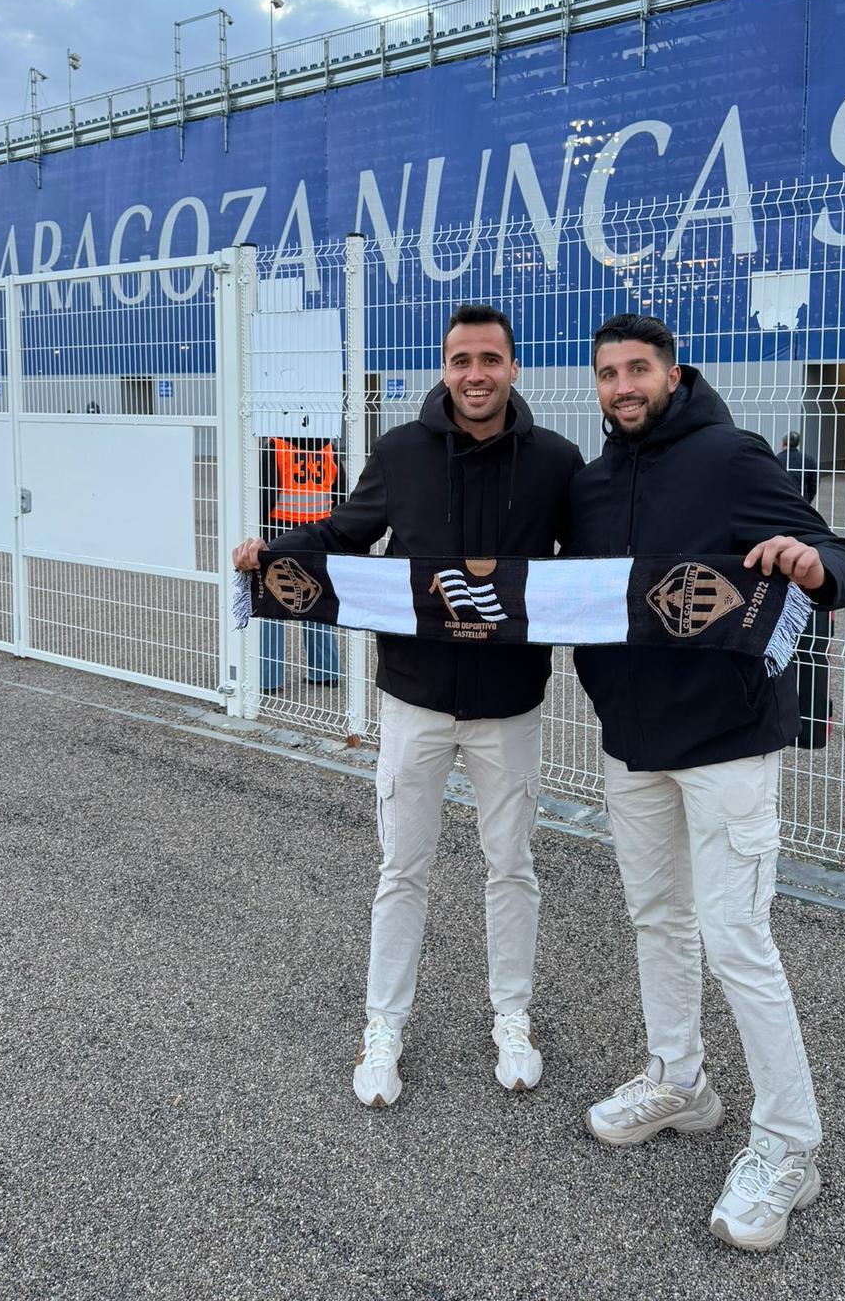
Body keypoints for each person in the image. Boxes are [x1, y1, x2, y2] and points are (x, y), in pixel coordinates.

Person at [233, 305, 584, 1107]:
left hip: (510, 704)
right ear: (445, 366)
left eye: (490, 359)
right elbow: (344, 534)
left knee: (512, 866)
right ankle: (382, 1025)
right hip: (414, 702)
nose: (475, 374)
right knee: (403, 868)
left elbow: (598, 566)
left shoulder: (557, 463)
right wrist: (271, 553)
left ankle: (513, 1016)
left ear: (513, 367)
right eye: (461, 359)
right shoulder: (399, 452)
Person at [567, 313, 845, 1253]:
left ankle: (789, 1147)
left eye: (638, 370)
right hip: (631, 744)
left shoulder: (730, 456)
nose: (623, 386)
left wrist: (816, 566)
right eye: (609, 373)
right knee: (658, 918)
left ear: (672, 373)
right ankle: (679, 1081)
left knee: (738, 937)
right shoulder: (591, 482)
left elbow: (836, 555)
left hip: (728, 741)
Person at [255, 434, 346, 689]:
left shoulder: (276, 446)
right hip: (320, 535)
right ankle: (325, 671)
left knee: (273, 605)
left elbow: (265, 496)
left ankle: (268, 679)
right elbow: (340, 495)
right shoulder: (329, 447)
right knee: (317, 602)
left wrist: (261, 537)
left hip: (279, 535)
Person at [776, 431, 818, 506]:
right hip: (801, 500)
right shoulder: (809, 460)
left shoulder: (776, 459)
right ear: (797, 444)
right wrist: (807, 500)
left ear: (783, 443)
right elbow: (813, 484)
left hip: (781, 499)